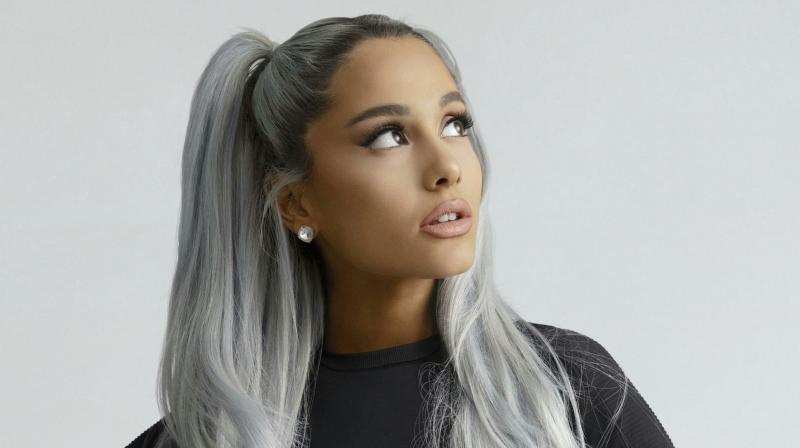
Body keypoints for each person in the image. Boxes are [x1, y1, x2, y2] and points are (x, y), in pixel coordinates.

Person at [126, 14, 674, 448]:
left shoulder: (569, 389)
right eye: (389, 136)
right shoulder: (207, 438)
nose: (448, 166)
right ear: (295, 203)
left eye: (454, 124)